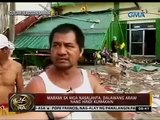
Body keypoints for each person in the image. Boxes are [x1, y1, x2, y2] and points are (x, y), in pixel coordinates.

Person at [0, 24, 136, 119]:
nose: (62, 52)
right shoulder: (39, 84)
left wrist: (123, 113)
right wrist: (50, 113)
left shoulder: (89, 79)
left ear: (81, 51)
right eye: (56, 46)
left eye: (69, 46)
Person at [0, 34, 24, 116]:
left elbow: (20, 90)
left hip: (8, 110)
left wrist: (20, 110)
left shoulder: (16, 67)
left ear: (5, 50)